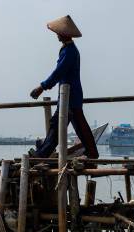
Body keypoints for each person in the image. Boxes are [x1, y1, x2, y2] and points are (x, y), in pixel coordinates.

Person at [29, 15, 98, 159]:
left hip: (70, 96)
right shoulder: (68, 49)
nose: (57, 36)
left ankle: (42, 154)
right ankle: (91, 152)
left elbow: (58, 72)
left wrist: (42, 87)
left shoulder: (70, 51)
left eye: (58, 33)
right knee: (70, 125)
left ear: (63, 34)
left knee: (60, 125)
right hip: (68, 95)